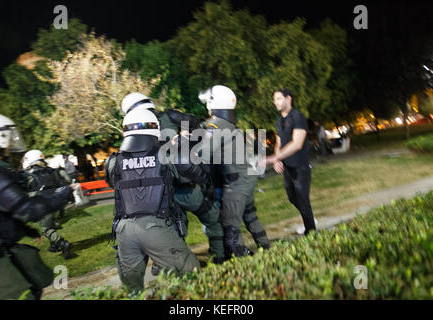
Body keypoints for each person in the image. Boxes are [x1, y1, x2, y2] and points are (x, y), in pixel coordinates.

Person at [105, 109, 206, 292]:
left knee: (132, 291)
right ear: (154, 128)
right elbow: (194, 175)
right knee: (192, 276)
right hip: (156, 226)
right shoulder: (166, 155)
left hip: (124, 231)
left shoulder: (112, 162)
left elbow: (115, 181)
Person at [120, 92, 225, 265]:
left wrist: (186, 139)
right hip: (181, 186)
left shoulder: (141, 131)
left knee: (178, 230)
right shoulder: (168, 117)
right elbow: (194, 126)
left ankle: (185, 264)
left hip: (172, 189)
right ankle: (217, 258)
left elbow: (193, 127)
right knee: (207, 220)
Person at [0, 113, 72, 299]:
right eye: (8, 136)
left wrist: (24, 230)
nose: (11, 141)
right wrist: (61, 196)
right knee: (23, 294)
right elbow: (27, 209)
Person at [199, 85, 270, 258]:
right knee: (250, 217)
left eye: (209, 102)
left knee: (230, 228)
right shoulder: (231, 125)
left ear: (214, 104)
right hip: (247, 179)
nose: (207, 107)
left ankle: (243, 260)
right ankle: (268, 250)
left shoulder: (214, 126)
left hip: (235, 185)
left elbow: (201, 154)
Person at [263, 88, 317, 235]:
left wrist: (273, 158)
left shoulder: (298, 117)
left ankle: (311, 232)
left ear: (288, 99)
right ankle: (309, 218)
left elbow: (297, 143)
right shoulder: (279, 121)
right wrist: (277, 160)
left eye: (279, 98)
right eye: (274, 99)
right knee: (292, 198)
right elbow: (278, 144)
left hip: (300, 167)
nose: (275, 102)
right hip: (287, 168)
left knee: (303, 199)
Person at [22, 150, 73, 259]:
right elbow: (66, 181)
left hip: (44, 204)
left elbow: (25, 191)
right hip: (59, 203)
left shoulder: (29, 176)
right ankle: (54, 245)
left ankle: (63, 244)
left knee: (46, 229)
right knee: (51, 224)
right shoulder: (52, 171)